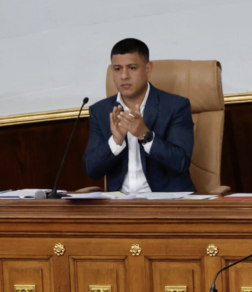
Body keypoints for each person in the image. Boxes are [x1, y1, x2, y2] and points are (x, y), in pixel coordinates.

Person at [83, 38, 196, 194]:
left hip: (167, 203)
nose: (124, 76)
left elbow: (181, 162)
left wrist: (145, 135)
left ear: (148, 69)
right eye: (117, 69)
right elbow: (91, 170)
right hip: (120, 206)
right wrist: (115, 142)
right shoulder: (100, 111)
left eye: (132, 68)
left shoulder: (175, 106)